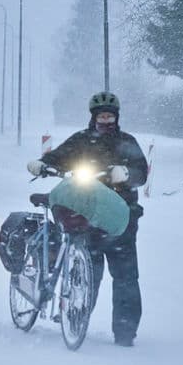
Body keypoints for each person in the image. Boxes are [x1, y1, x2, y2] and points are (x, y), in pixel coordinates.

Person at [26, 91, 148, 347]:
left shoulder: (127, 142)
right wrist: (42, 163)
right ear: (93, 117)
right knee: (85, 274)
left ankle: (125, 333)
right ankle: (74, 317)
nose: (106, 120)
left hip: (119, 220)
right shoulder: (81, 141)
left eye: (110, 115)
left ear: (116, 117)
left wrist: (125, 172)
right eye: (101, 115)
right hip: (88, 217)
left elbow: (141, 171)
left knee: (125, 277)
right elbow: (59, 156)